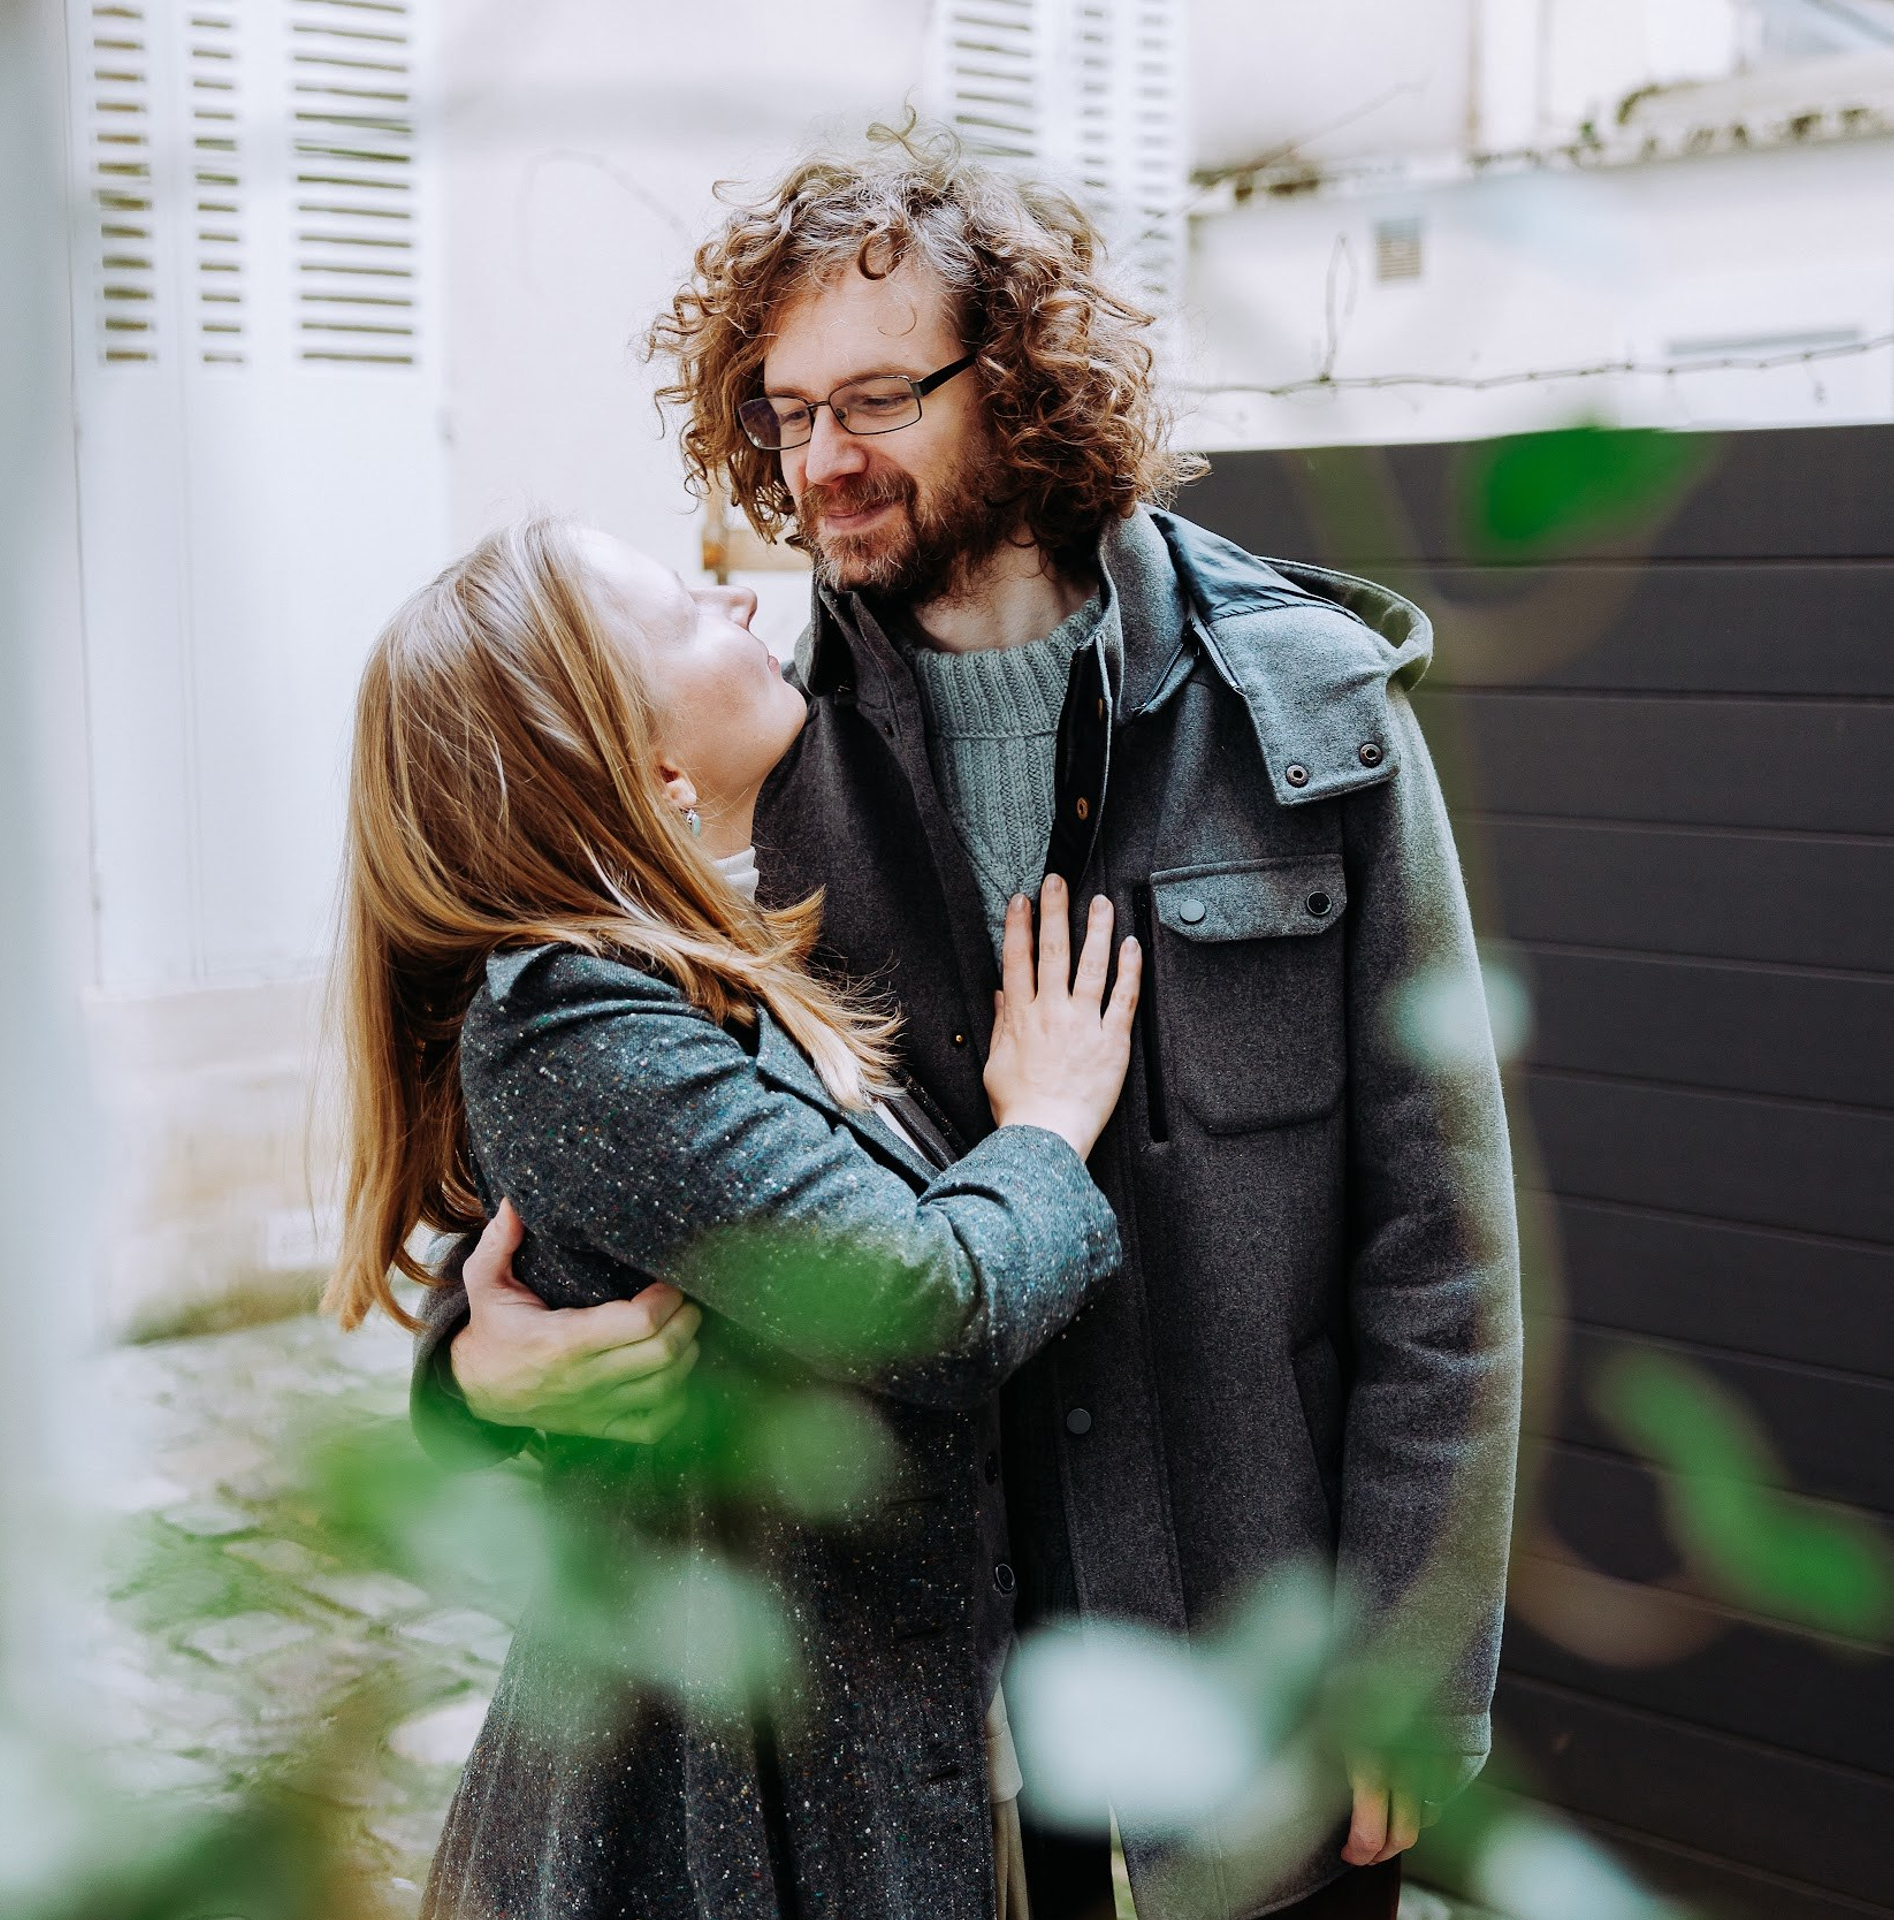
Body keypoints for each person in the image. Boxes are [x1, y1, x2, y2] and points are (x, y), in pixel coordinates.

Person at [419, 125, 1525, 1920]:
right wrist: (473, 1383)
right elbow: (582, 1193)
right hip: (911, 1728)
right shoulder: (745, 760)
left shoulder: (1310, 716)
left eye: (873, 399)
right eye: (783, 415)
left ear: (1017, 380)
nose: (817, 461)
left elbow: (1443, 1237)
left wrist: (1414, 1648)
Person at [328, 515, 1145, 1918]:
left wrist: (471, 1367)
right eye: (692, 615)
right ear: (642, 763)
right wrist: (1050, 1127)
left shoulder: (696, 948)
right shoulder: (572, 1025)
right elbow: (922, 1301)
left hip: (905, 1746)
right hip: (742, 1811)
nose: (748, 603)